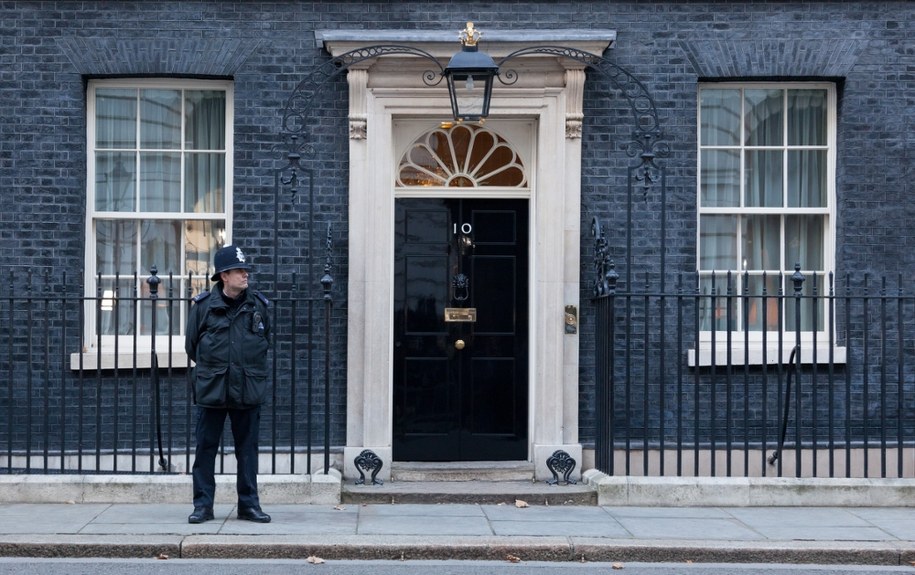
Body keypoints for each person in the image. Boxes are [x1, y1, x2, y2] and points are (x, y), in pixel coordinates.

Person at [185, 244, 272, 524]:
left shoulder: (257, 305)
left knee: (247, 451)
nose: (245, 275)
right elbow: (191, 347)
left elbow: (265, 340)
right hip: (213, 389)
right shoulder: (203, 308)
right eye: (239, 270)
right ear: (224, 275)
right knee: (205, 449)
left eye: (246, 270)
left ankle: (248, 506)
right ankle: (203, 506)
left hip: (247, 389)